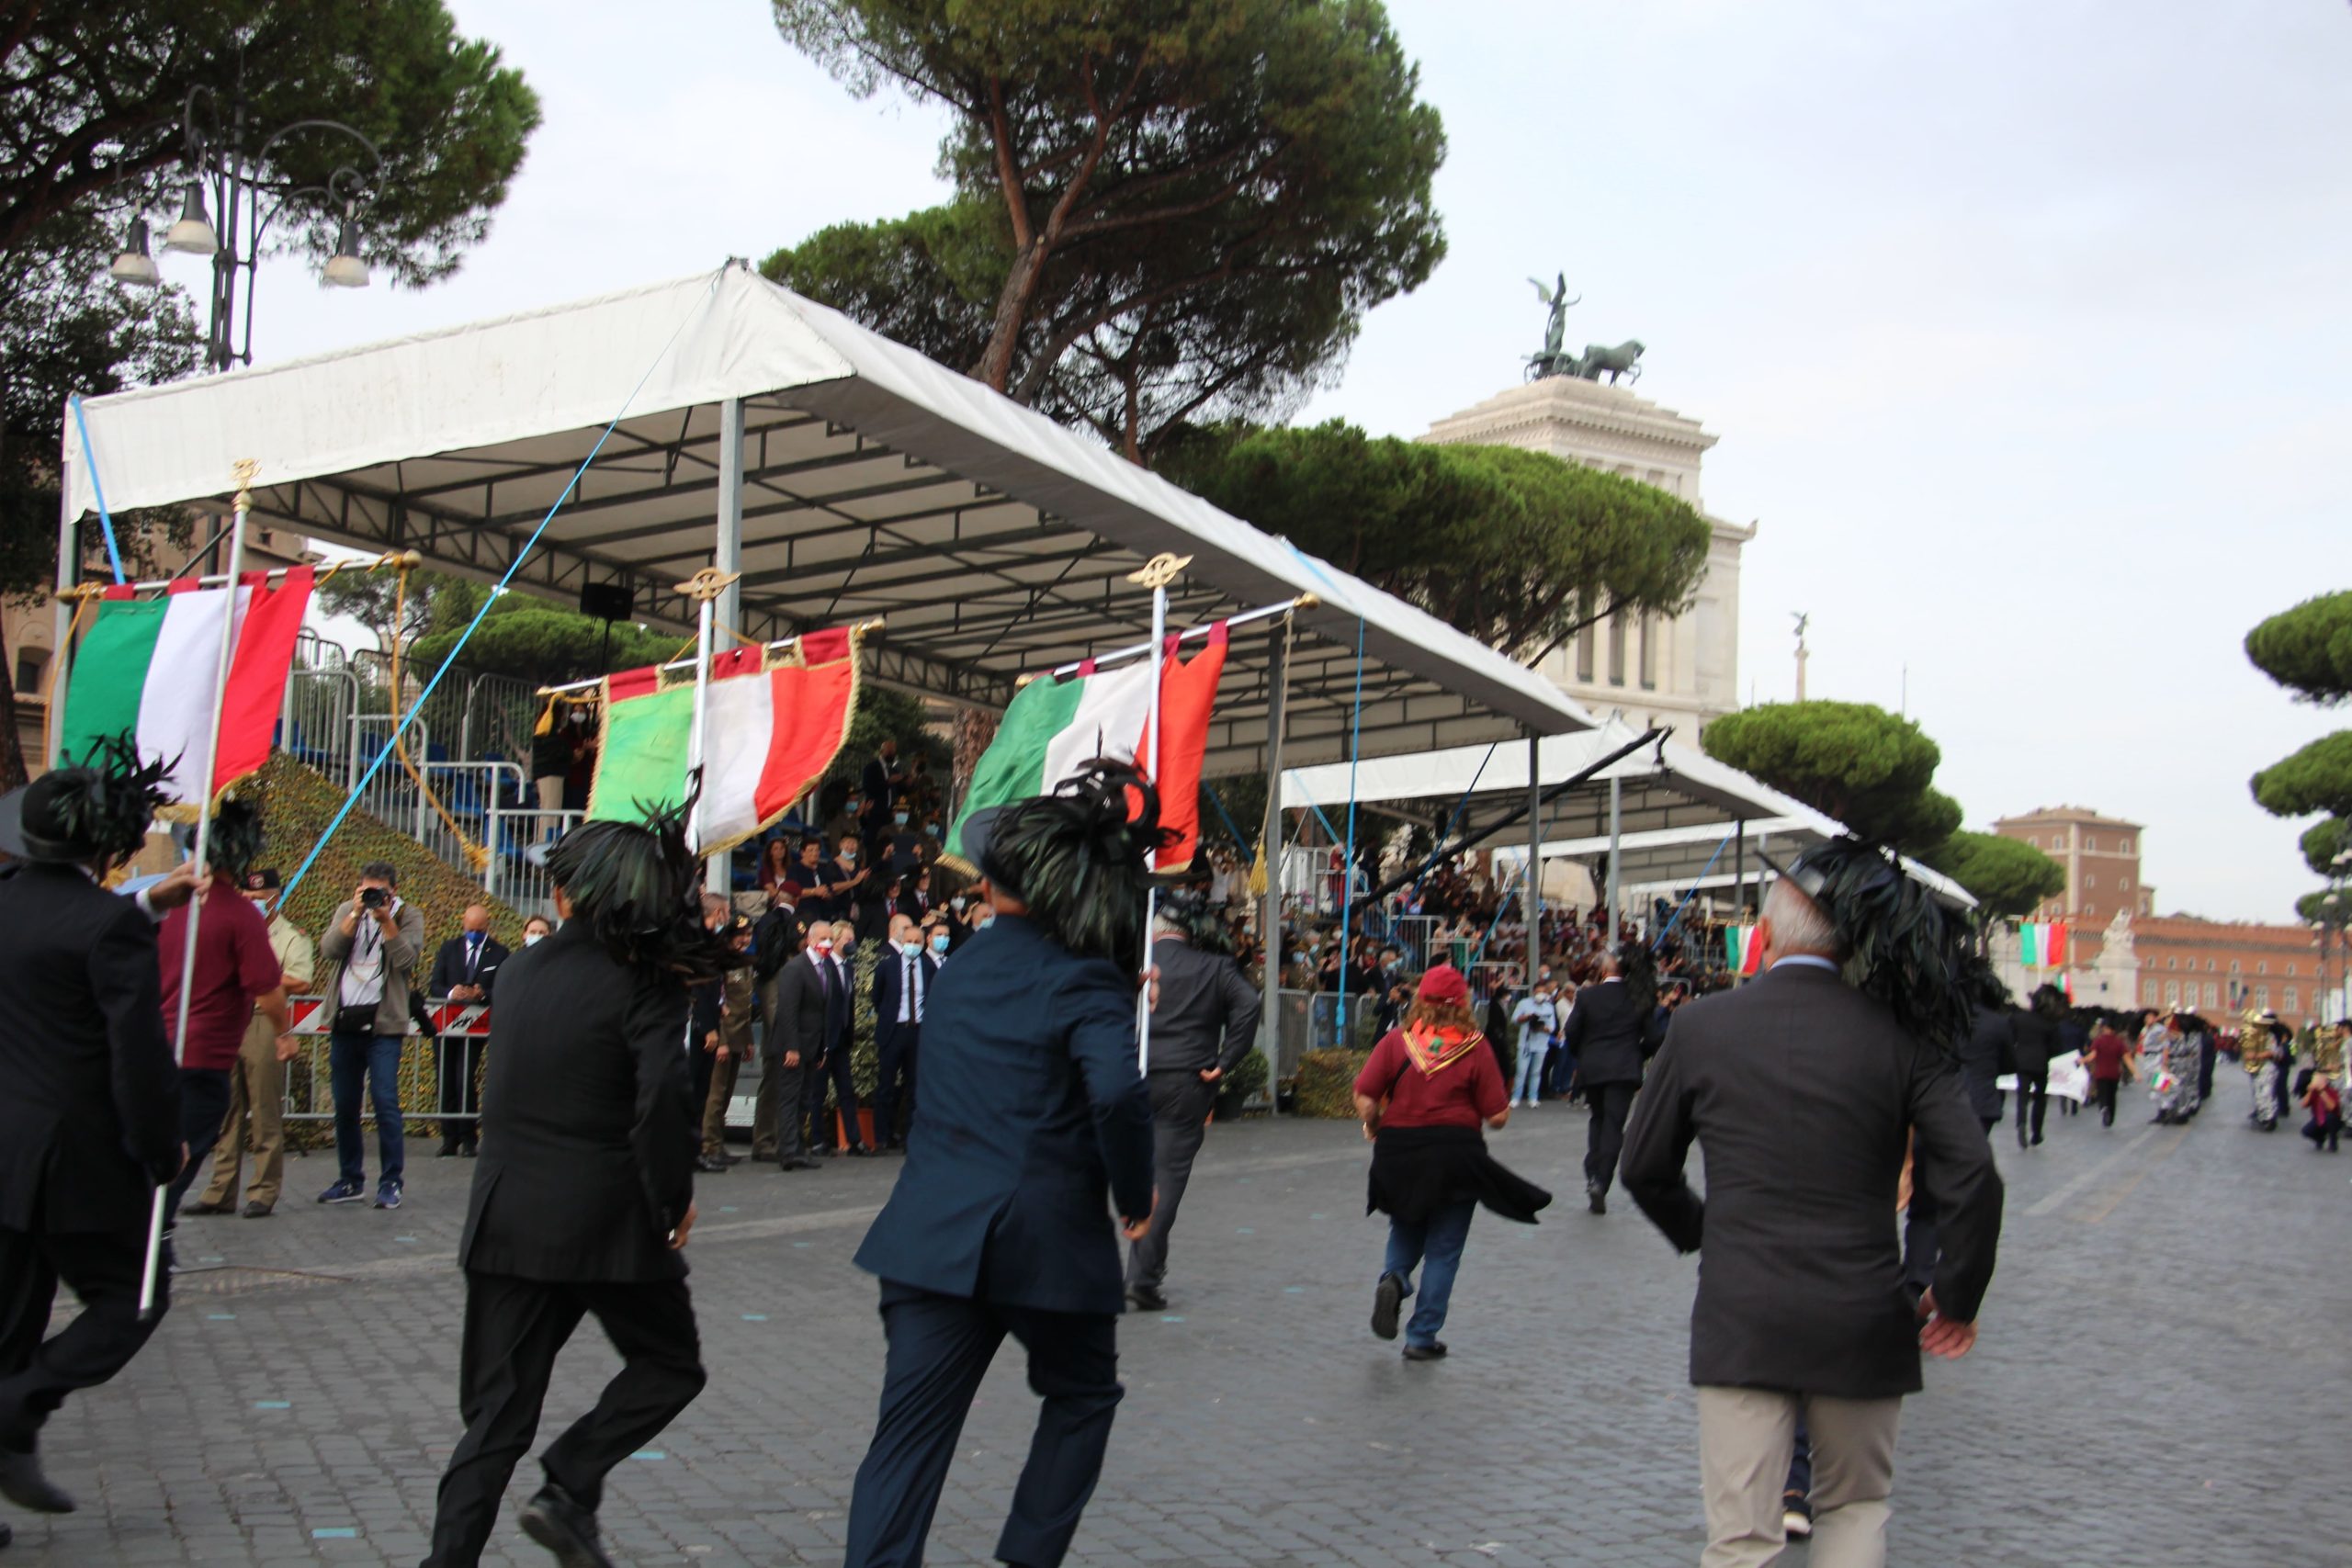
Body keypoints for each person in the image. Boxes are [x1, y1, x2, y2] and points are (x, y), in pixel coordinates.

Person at [1621, 841, 2003, 1568]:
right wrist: (1955, 1293)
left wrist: (1707, 1231)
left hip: (1742, 1306)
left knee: (1741, 1537)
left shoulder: (1702, 1027)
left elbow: (1642, 1165)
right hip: (1863, 1310)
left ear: (1763, 935)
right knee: (1854, 1509)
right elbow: (1974, 1173)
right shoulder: (1903, 1037)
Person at [841, 762, 1160, 1568]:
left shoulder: (962, 968)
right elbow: (1118, 1093)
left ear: (996, 886)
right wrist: (1134, 1190)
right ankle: (1026, 1557)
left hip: (928, 1234)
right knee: (1083, 1396)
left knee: (907, 1439)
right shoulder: (1086, 976)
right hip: (1045, 1240)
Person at [421, 804, 730, 1568]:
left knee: (493, 1418)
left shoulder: (520, 968)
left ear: (578, 893)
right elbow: (662, 1099)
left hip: (507, 1217)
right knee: (670, 1364)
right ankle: (570, 1480)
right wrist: (671, 1198)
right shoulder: (648, 982)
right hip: (608, 1224)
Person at [0, 741, 197, 1536]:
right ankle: (18, 1405)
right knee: (136, 1295)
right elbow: (137, 1056)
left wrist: (144, 908)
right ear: (104, 845)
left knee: (8, 1319)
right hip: (75, 1159)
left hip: (5, 1150)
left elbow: (54, 942)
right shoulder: (107, 923)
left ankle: (10, 1422)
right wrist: (162, 1148)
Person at [1355, 964, 1550, 1361]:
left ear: (1420, 1000)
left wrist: (1373, 1123)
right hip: (1455, 1156)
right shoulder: (1476, 1046)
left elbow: (1365, 1095)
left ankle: (1393, 1278)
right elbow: (1497, 1116)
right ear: (1462, 1003)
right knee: (1444, 1249)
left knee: (1406, 1223)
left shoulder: (1397, 1042)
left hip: (1399, 1151)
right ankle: (1421, 1336)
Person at [1125, 889, 1262, 1314]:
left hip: (1128, 1074)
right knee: (1165, 1178)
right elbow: (1249, 1005)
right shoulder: (1215, 966)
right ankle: (1143, 1276)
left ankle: (1133, 1271)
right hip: (1185, 1079)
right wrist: (1226, 1060)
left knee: (1118, 1170)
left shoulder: (1134, 966)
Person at [156, 800, 293, 1225]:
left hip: (154, 1054)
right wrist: (284, 1033)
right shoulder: (240, 915)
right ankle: (150, 1250)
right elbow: (269, 991)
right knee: (171, 1175)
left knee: (156, 1160)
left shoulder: (165, 905)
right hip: (203, 1060)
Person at [187, 868, 315, 1219]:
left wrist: (262, 976)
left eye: (260, 899)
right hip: (229, 1018)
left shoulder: (290, 936)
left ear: (276, 897)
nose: (252, 904)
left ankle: (263, 1190)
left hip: (262, 1019)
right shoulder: (236, 925)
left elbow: (301, 981)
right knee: (225, 1110)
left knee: (263, 1110)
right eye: (248, 898)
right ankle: (219, 1191)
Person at [316, 861, 424, 1210]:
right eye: (368, 890)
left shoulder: (409, 916)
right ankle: (350, 1179)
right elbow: (329, 950)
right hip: (346, 1021)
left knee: (385, 1101)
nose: (374, 897)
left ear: (393, 891)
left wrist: (386, 921)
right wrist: (356, 913)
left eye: (381, 892)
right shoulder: (348, 910)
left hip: (384, 1025)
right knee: (345, 1104)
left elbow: (407, 960)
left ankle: (391, 1180)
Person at [1556, 942, 1664, 1214]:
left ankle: (1593, 1171)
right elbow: (1654, 1037)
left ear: (1604, 969)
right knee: (1614, 1125)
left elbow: (1571, 1031)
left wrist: (1584, 1053)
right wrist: (1637, 1053)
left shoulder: (1588, 996)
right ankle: (1601, 1180)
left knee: (1597, 1118)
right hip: (1624, 1068)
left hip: (1593, 1068)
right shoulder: (1639, 996)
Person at [427, 903, 508, 1158]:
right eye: (470, 929)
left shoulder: (499, 953)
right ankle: (448, 1137)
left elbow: (504, 988)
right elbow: (435, 985)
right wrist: (452, 993)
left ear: (487, 926)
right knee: (446, 1079)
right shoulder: (449, 949)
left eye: (479, 929)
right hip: (445, 1025)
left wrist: (483, 994)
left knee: (464, 1078)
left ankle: (469, 1137)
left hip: (475, 1027)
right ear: (463, 924)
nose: (474, 933)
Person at [770, 919, 845, 1168]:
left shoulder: (824, 969)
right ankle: (788, 1150)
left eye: (830, 939)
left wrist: (823, 1046)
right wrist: (791, 1047)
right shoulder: (796, 968)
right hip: (794, 1045)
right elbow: (788, 1011)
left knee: (805, 1098)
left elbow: (823, 1012)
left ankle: (797, 1147)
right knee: (790, 1098)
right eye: (823, 938)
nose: (827, 943)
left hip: (813, 1046)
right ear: (810, 940)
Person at [798, 919, 870, 1157]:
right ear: (836, 941)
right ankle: (818, 1140)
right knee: (818, 1092)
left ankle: (854, 1140)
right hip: (824, 1039)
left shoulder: (848, 968)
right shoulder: (825, 965)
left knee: (846, 1091)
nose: (852, 943)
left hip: (841, 1039)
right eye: (847, 939)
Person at [750, 883, 811, 1164]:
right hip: (783, 1031)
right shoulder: (784, 935)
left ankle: (773, 1139)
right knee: (775, 1078)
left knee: (775, 1080)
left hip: (780, 1023)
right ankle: (767, 1140)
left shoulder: (767, 923)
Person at [870, 913, 938, 1154]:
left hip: (917, 1032)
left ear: (922, 944)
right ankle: (881, 1138)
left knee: (915, 1086)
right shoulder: (888, 965)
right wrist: (889, 1016)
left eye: (917, 942)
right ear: (901, 941)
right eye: (908, 941)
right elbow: (876, 997)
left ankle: (911, 1138)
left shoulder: (928, 967)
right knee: (886, 1086)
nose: (912, 945)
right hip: (893, 1030)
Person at [2010, 987, 2064, 1149]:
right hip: (2041, 1063)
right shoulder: (2049, 1024)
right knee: (2040, 1099)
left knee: (2022, 1096)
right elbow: (2057, 1047)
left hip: (2021, 1062)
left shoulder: (2018, 1018)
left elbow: (2010, 1038)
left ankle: (2021, 1123)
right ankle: (2036, 1132)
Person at [1510, 977, 1560, 1109]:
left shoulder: (1548, 1007)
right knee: (1521, 1071)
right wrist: (1527, 1017)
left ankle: (1533, 1097)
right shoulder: (1524, 1004)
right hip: (1525, 1043)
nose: (1540, 995)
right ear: (1533, 992)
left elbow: (1552, 1027)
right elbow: (1515, 1019)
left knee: (1536, 1072)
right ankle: (1516, 1097)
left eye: (1543, 992)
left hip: (1541, 1044)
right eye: (1538, 992)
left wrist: (1542, 1027)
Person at [2080, 1017, 2136, 1129]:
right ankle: (2110, 1117)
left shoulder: (2098, 1041)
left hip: (2100, 1072)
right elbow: (2127, 1058)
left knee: (2102, 1093)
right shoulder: (2119, 1042)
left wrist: (2083, 1060)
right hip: (2114, 1073)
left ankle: (2103, 1107)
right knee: (2112, 1095)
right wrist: (2135, 1072)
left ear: (2104, 1028)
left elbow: (2093, 1055)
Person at [2245, 1016, 2283, 1133]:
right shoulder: (2256, 1037)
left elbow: (2272, 1052)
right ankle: (2262, 1116)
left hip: (2267, 1067)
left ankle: (2270, 1119)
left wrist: (2255, 1056)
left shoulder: (2270, 1037)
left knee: (2267, 1093)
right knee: (2259, 1094)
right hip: (2257, 1069)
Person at [2301, 1070, 2342, 1152]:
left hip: (2333, 1119)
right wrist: (2309, 1091)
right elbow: (2303, 1105)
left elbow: (2332, 1107)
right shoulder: (2313, 1092)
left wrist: (2321, 1091)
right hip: (2318, 1119)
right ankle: (2320, 1138)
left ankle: (2333, 1141)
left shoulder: (2331, 1090)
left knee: (2330, 1118)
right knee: (2305, 1131)